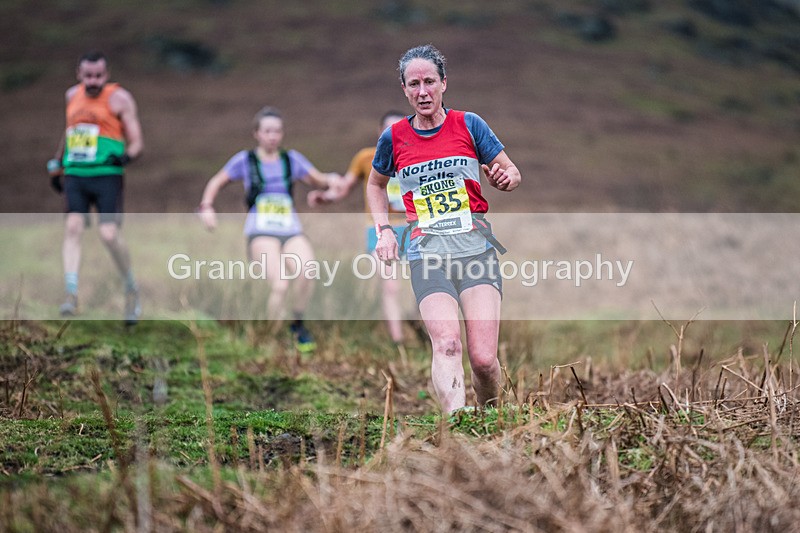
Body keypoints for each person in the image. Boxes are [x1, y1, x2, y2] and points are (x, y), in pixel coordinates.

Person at [367, 45, 522, 413]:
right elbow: (375, 185)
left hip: (475, 252)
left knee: (484, 361)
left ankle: (490, 418)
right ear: (404, 89)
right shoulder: (394, 138)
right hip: (426, 253)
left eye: (429, 82)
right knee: (448, 343)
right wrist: (384, 230)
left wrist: (505, 179)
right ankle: (459, 424)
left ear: (444, 84)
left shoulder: (470, 124)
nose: (423, 92)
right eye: (414, 84)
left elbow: (512, 172)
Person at [197, 106, 339, 352]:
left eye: (277, 131)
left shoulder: (291, 159)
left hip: (290, 229)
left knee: (308, 271)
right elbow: (216, 181)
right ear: (257, 134)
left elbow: (319, 179)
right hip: (261, 231)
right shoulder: (245, 160)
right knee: (280, 283)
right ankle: (273, 339)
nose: (272, 136)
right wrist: (207, 206)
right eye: (267, 131)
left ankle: (296, 323)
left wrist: (334, 181)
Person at [47, 51, 144, 325]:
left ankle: (130, 287)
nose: (93, 81)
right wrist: (57, 163)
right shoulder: (71, 96)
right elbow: (70, 132)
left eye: (98, 75)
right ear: (79, 74)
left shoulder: (120, 98)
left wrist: (126, 157)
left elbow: (137, 142)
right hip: (76, 175)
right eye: (88, 75)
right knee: (73, 227)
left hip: (107, 176)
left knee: (109, 234)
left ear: (107, 73)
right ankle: (71, 293)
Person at [308, 111, 411, 358]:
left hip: (412, 229)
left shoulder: (414, 154)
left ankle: (420, 326)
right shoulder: (367, 158)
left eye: (398, 128)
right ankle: (398, 345)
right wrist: (326, 197)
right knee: (391, 287)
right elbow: (344, 187)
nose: (393, 133)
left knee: (423, 287)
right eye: (388, 129)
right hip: (380, 230)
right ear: (380, 132)